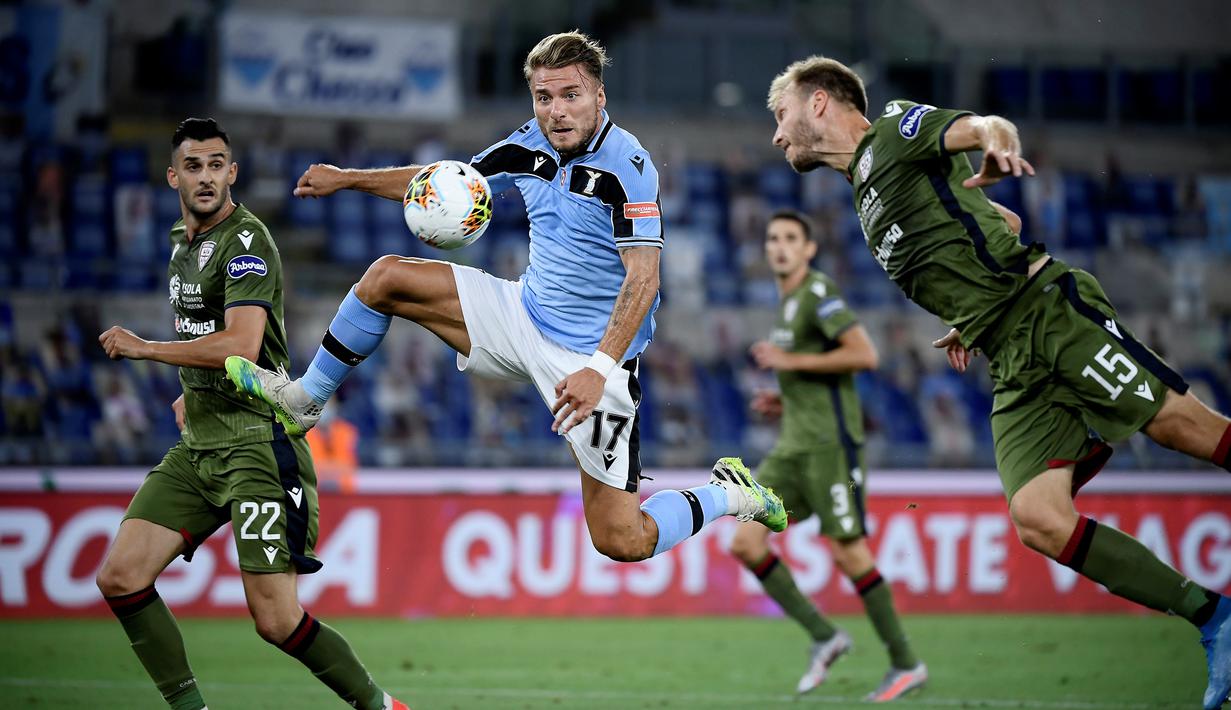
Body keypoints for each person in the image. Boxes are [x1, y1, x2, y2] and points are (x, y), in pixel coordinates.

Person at [766, 56, 1231, 709]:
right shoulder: (865, 190)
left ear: (818, 103)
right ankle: (1216, 621)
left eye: (779, 113)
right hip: (1006, 352)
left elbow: (982, 126)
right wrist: (967, 314)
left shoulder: (894, 131)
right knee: (1038, 518)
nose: (776, 134)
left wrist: (996, 141)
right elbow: (1001, 224)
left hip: (1048, 314)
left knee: (1188, 430)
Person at [226, 31, 786, 564]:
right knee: (385, 278)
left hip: (591, 362)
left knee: (622, 539)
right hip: (522, 315)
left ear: (598, 94)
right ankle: (305, 398)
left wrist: (598, 369)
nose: (556, 110)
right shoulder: (530, 143)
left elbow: (645, 281)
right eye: (545, 97)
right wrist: (349, 178)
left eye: (571, 95)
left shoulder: (628, 168)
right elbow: (448, 181)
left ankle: (729, 494)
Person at [94, 118, 408, 710]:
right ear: (173, 176)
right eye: (194, 166)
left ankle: (381, 706)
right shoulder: (180, 245)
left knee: (277, 620)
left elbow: (240, 344)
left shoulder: (246, 242)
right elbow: (207, 335)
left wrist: (149, 350)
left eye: (217, 165)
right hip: (199, 446)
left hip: (256, 446)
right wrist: (192, 386)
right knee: (121, 577)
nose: (206, 177)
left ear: (232, 173)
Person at [732, 209, 925, 701]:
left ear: (809, 249)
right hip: (792, 446)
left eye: (790, 239)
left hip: (829, 448)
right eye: (772, 238)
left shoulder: (817, 293)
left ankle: (906, 663)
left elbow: (864, 354)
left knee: (847, 551)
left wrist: (788, 363)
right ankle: (825, 636)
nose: (779, 246)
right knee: (746, 543)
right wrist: (785, 396)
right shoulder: (787, 303)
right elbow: (816, 374)